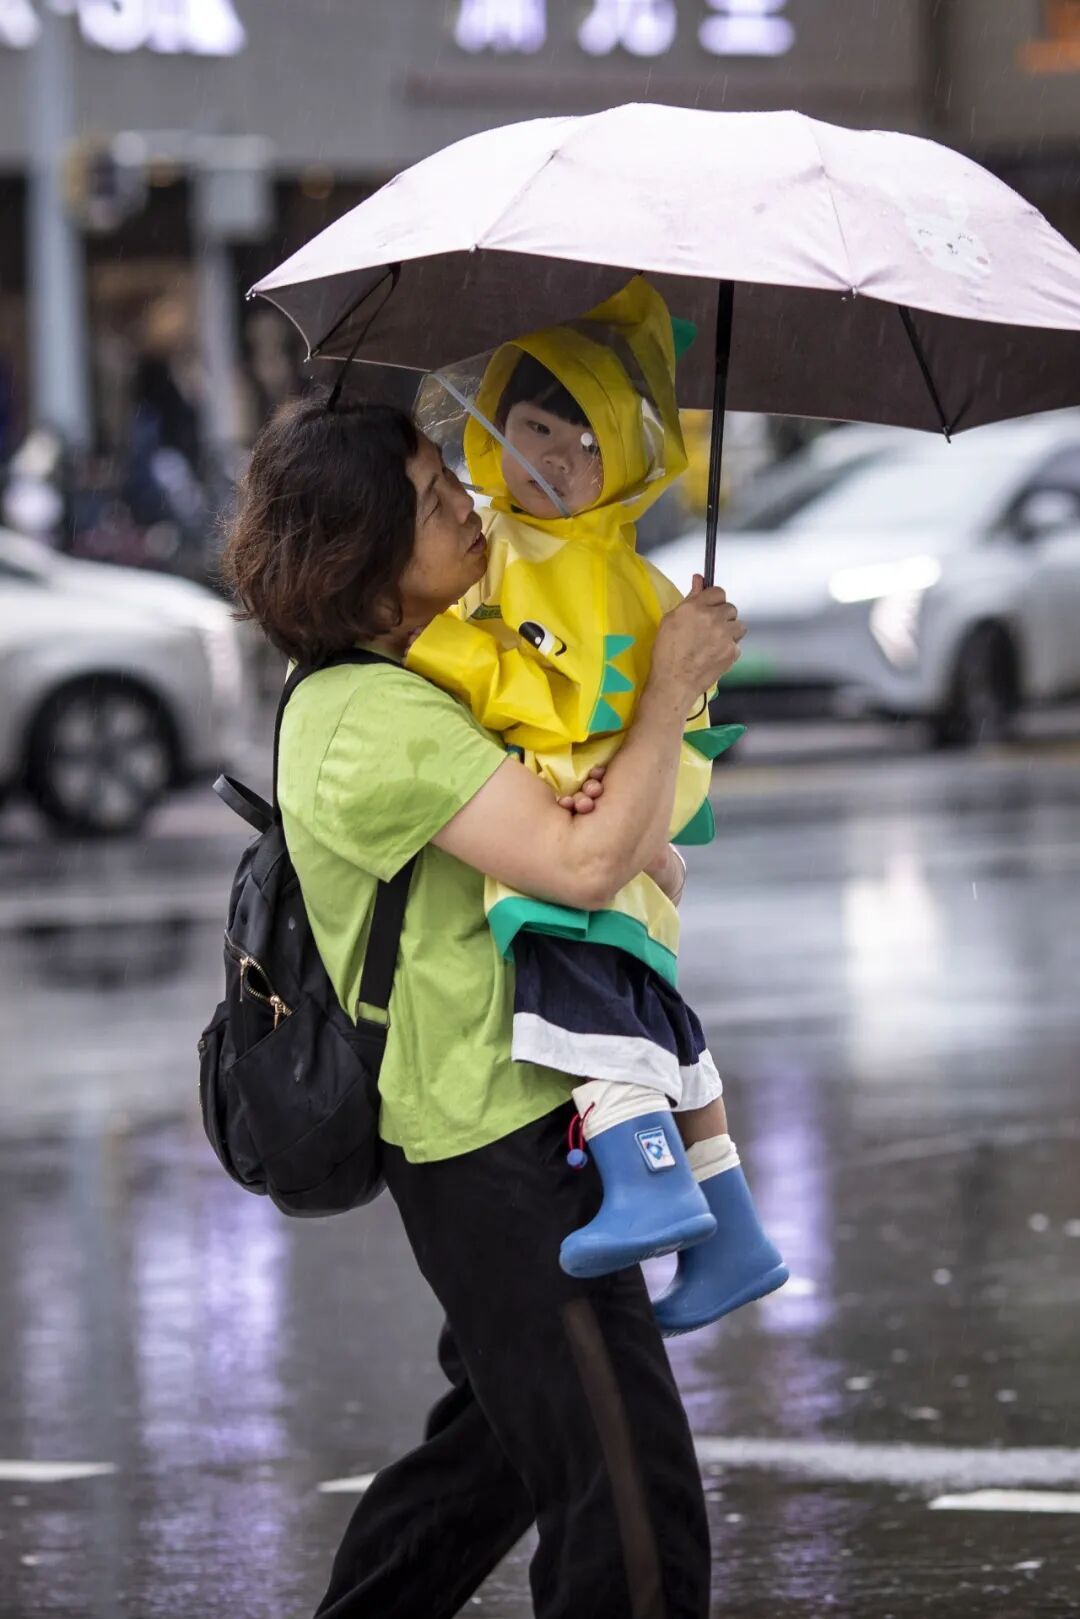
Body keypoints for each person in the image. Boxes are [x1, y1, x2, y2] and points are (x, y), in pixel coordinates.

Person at [222, 389, 746, 1618]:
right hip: (493, 1150)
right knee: (633, 1513)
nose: (468, 496)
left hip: (521, 1124)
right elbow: (577, 862)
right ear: (358, 556)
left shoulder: (438, 670)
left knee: (490, 1464)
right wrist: (668, 687)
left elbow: (606, 831)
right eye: (428, 498)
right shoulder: (373, 716)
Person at [406, 278, 786, 1330]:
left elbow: (507, 674)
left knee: (579, 1003)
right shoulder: (519, 553)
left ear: (627, 456)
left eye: (587, 442)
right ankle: (733, 1221)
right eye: (534, 428)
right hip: (618, 831)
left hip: (575, 838)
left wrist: (637, 812)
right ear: (493, 432)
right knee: (658, 1014)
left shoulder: (596, 577)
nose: (557, 460)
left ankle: (651, 1178)